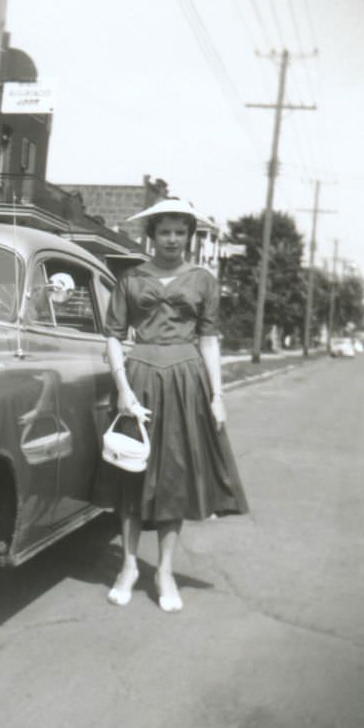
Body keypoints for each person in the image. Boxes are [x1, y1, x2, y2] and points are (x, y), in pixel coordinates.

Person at [101, 198, 249, 612]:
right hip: (141, 377)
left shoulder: (202, 279)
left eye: (179, 232)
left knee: (175, 478)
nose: (171, 240)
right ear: (152, 235)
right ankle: (129, 565)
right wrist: (122, 387)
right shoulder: (130, 278)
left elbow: (209, 339)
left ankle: (164, 570)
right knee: (132, 472)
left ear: (189, 236)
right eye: (164, 231)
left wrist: (217, 396)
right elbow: (113, 334)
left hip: (186, 382)